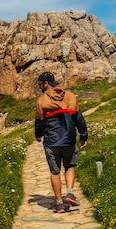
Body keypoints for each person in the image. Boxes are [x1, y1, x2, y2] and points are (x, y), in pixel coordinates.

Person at [35, 71, 88, 213]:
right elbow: (79, 118)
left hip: (52, 142)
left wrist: (38, 135)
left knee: (55, 171)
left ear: (46, 84)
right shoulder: (70, 97)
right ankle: (70, 193)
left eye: (40, 84)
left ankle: (59, 203)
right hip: (69, 139)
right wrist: (84, 136)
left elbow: (39, 122)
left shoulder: (42, 101)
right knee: (70, 166)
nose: (39, 87)